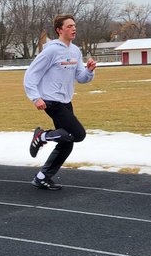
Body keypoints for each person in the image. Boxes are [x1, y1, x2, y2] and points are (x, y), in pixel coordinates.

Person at [23, 14, 97, 190]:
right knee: (79, 134)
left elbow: (81, 77)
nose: (74, 28)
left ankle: (42, 177)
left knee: (67, 143)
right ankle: (42, 136)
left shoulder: (75, 51)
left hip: (66, 101)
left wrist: (89, 71)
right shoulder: (51, 50)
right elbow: (31, 74)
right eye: (69, 26)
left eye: (74, 26)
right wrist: (35, 97)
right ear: (59, 30)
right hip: (51, 100)